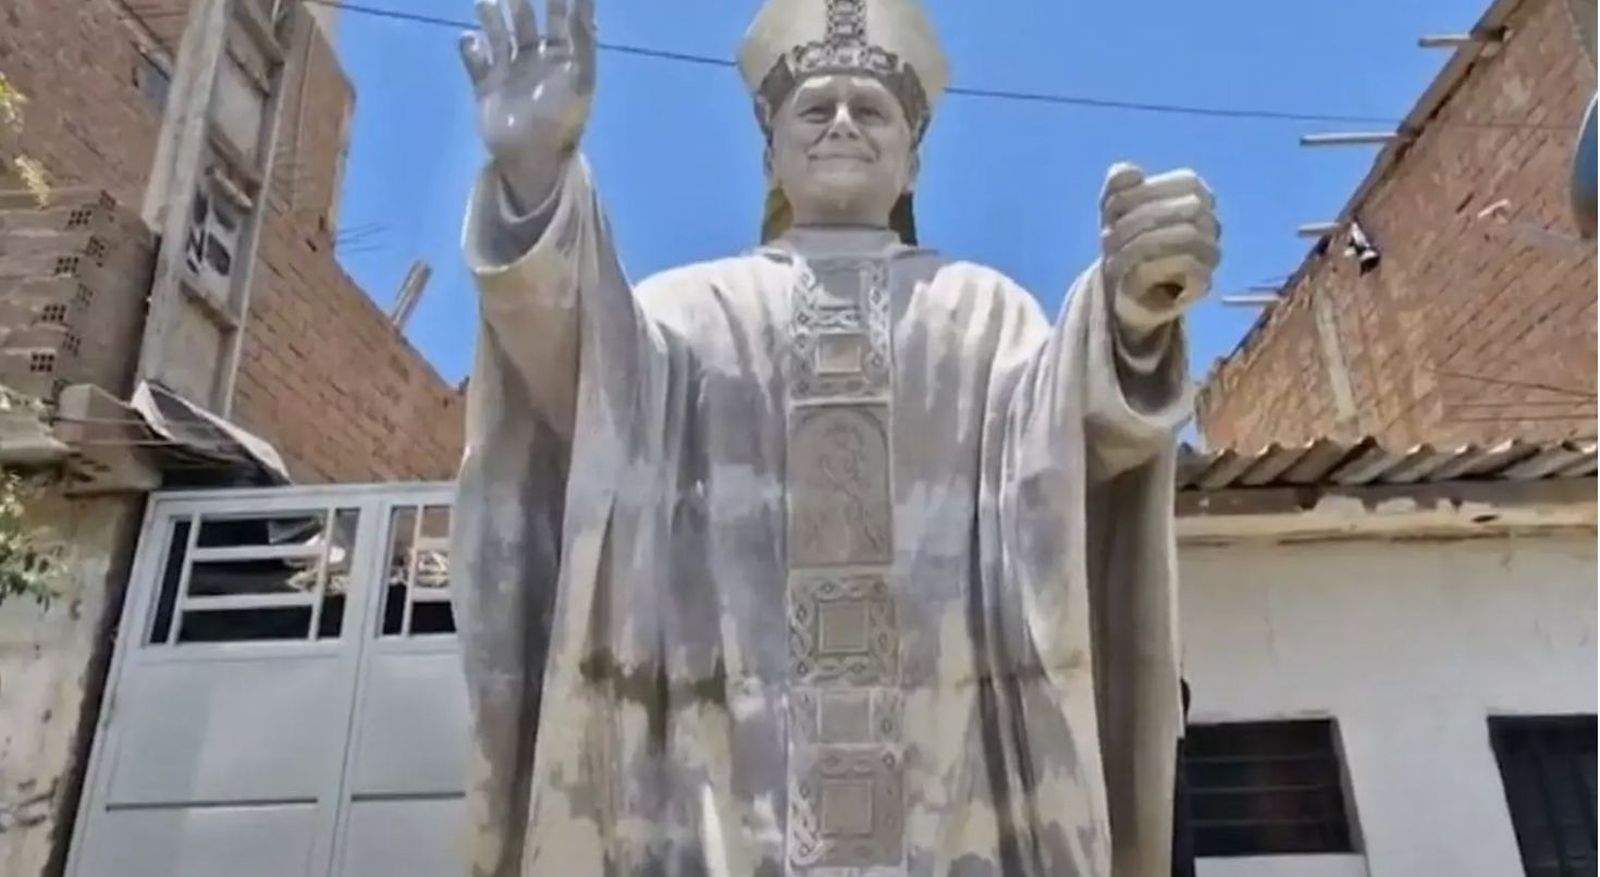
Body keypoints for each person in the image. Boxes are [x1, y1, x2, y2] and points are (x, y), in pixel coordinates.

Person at [449, 0, 1221, 873]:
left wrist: (1129, 313)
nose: (844, 124)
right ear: (769, 147)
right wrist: (534, 180)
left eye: (873, 108)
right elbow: (582, 382)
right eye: (816, 108)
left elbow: (1067, 443)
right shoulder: (687, 312)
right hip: (728, 794)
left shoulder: (982, 313)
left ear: (915, 157)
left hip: (946, 785)